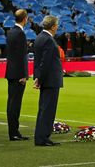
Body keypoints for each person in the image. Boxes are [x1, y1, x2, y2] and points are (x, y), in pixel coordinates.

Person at [33, 15, 64, 146]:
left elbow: (38, 61)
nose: (57, 27)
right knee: (48, 109)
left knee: (43, 108)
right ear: (52, 26)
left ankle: (40, 136)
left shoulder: (39, 38)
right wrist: (40, 78)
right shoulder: (49, 41)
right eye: (56, 25)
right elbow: (45, 62)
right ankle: (43, 137)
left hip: (45, 78)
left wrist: (37, 77)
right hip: (50, 80)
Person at [6, 9, 30, 141]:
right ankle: (14, 132)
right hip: (17, 74)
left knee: (11, 102)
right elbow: (20, 55)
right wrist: (23, 74)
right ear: (25, 18)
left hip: (11, 72)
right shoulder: (20, 33)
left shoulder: (10, 32)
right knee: (15, 104)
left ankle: (13, 131)